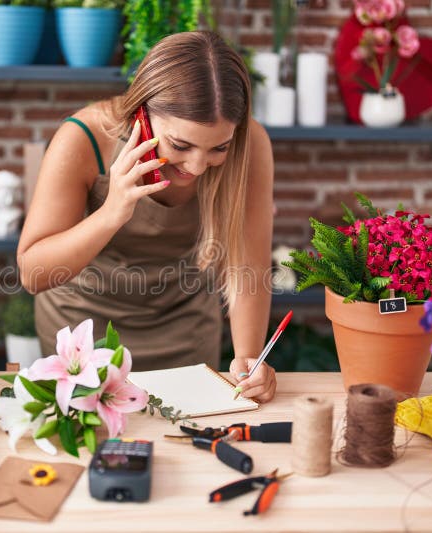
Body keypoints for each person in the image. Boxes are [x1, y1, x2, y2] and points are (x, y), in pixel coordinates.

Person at [17, 31, 275, 402]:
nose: (198, 166)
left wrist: (249, 362)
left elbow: (246, 265)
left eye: (219, 148)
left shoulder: (251, 145)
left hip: (184, 326)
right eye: (180, 145)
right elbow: (32, 273)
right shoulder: (84, 138)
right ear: (142, 111)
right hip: (85, 328)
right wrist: (112, 211)